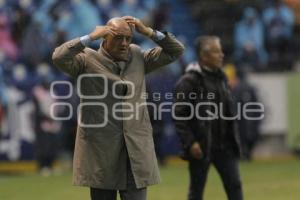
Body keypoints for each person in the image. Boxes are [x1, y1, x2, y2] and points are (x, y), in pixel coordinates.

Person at [52, 16, 184, 200]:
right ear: (104, 38)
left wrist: (148, 31)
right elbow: (59, 56)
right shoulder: (86, 60)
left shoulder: (137, 55)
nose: (124, 44)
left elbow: (176, 51)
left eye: (128, 38)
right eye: (118, 38)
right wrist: (90, 37)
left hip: (135, 153)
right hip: (101, 154)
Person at [174, 36, 243, 200]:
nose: (222, 55)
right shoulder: (188, 82)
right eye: (216, 51)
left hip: (224, 145)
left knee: (235, 185)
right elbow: (179, 115)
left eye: (220, 51)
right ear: (204, 56)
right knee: (197, 191)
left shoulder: (222, 78)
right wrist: (190, 142)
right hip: (201, 146)